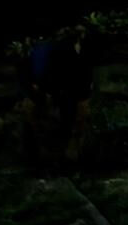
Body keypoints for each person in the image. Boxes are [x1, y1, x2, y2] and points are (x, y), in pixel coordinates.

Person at [20, 37, 94, 169]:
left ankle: (62, 153)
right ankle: (51, 154)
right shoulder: (43, 62)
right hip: (51, 84)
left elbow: (83, 99)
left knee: (72, 116)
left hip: (64, 85)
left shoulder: (77, 66)